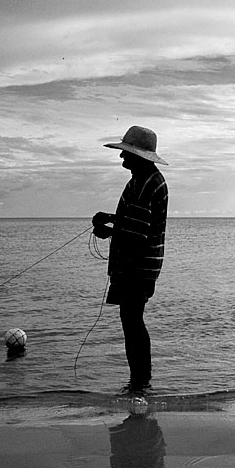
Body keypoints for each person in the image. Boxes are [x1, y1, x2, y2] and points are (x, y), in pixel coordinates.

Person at [93, 125, 169, 394]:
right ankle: (139, 382)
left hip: (139, 265)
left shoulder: (148, 182)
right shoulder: (142, 179)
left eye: (126, 153)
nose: (122, 158)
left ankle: (140, 383)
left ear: (140, 156)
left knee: (132, 320)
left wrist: (109, 229)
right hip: (138, 264)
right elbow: (135, 223)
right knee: (131, 320)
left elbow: (137, 234)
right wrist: (111, 220)